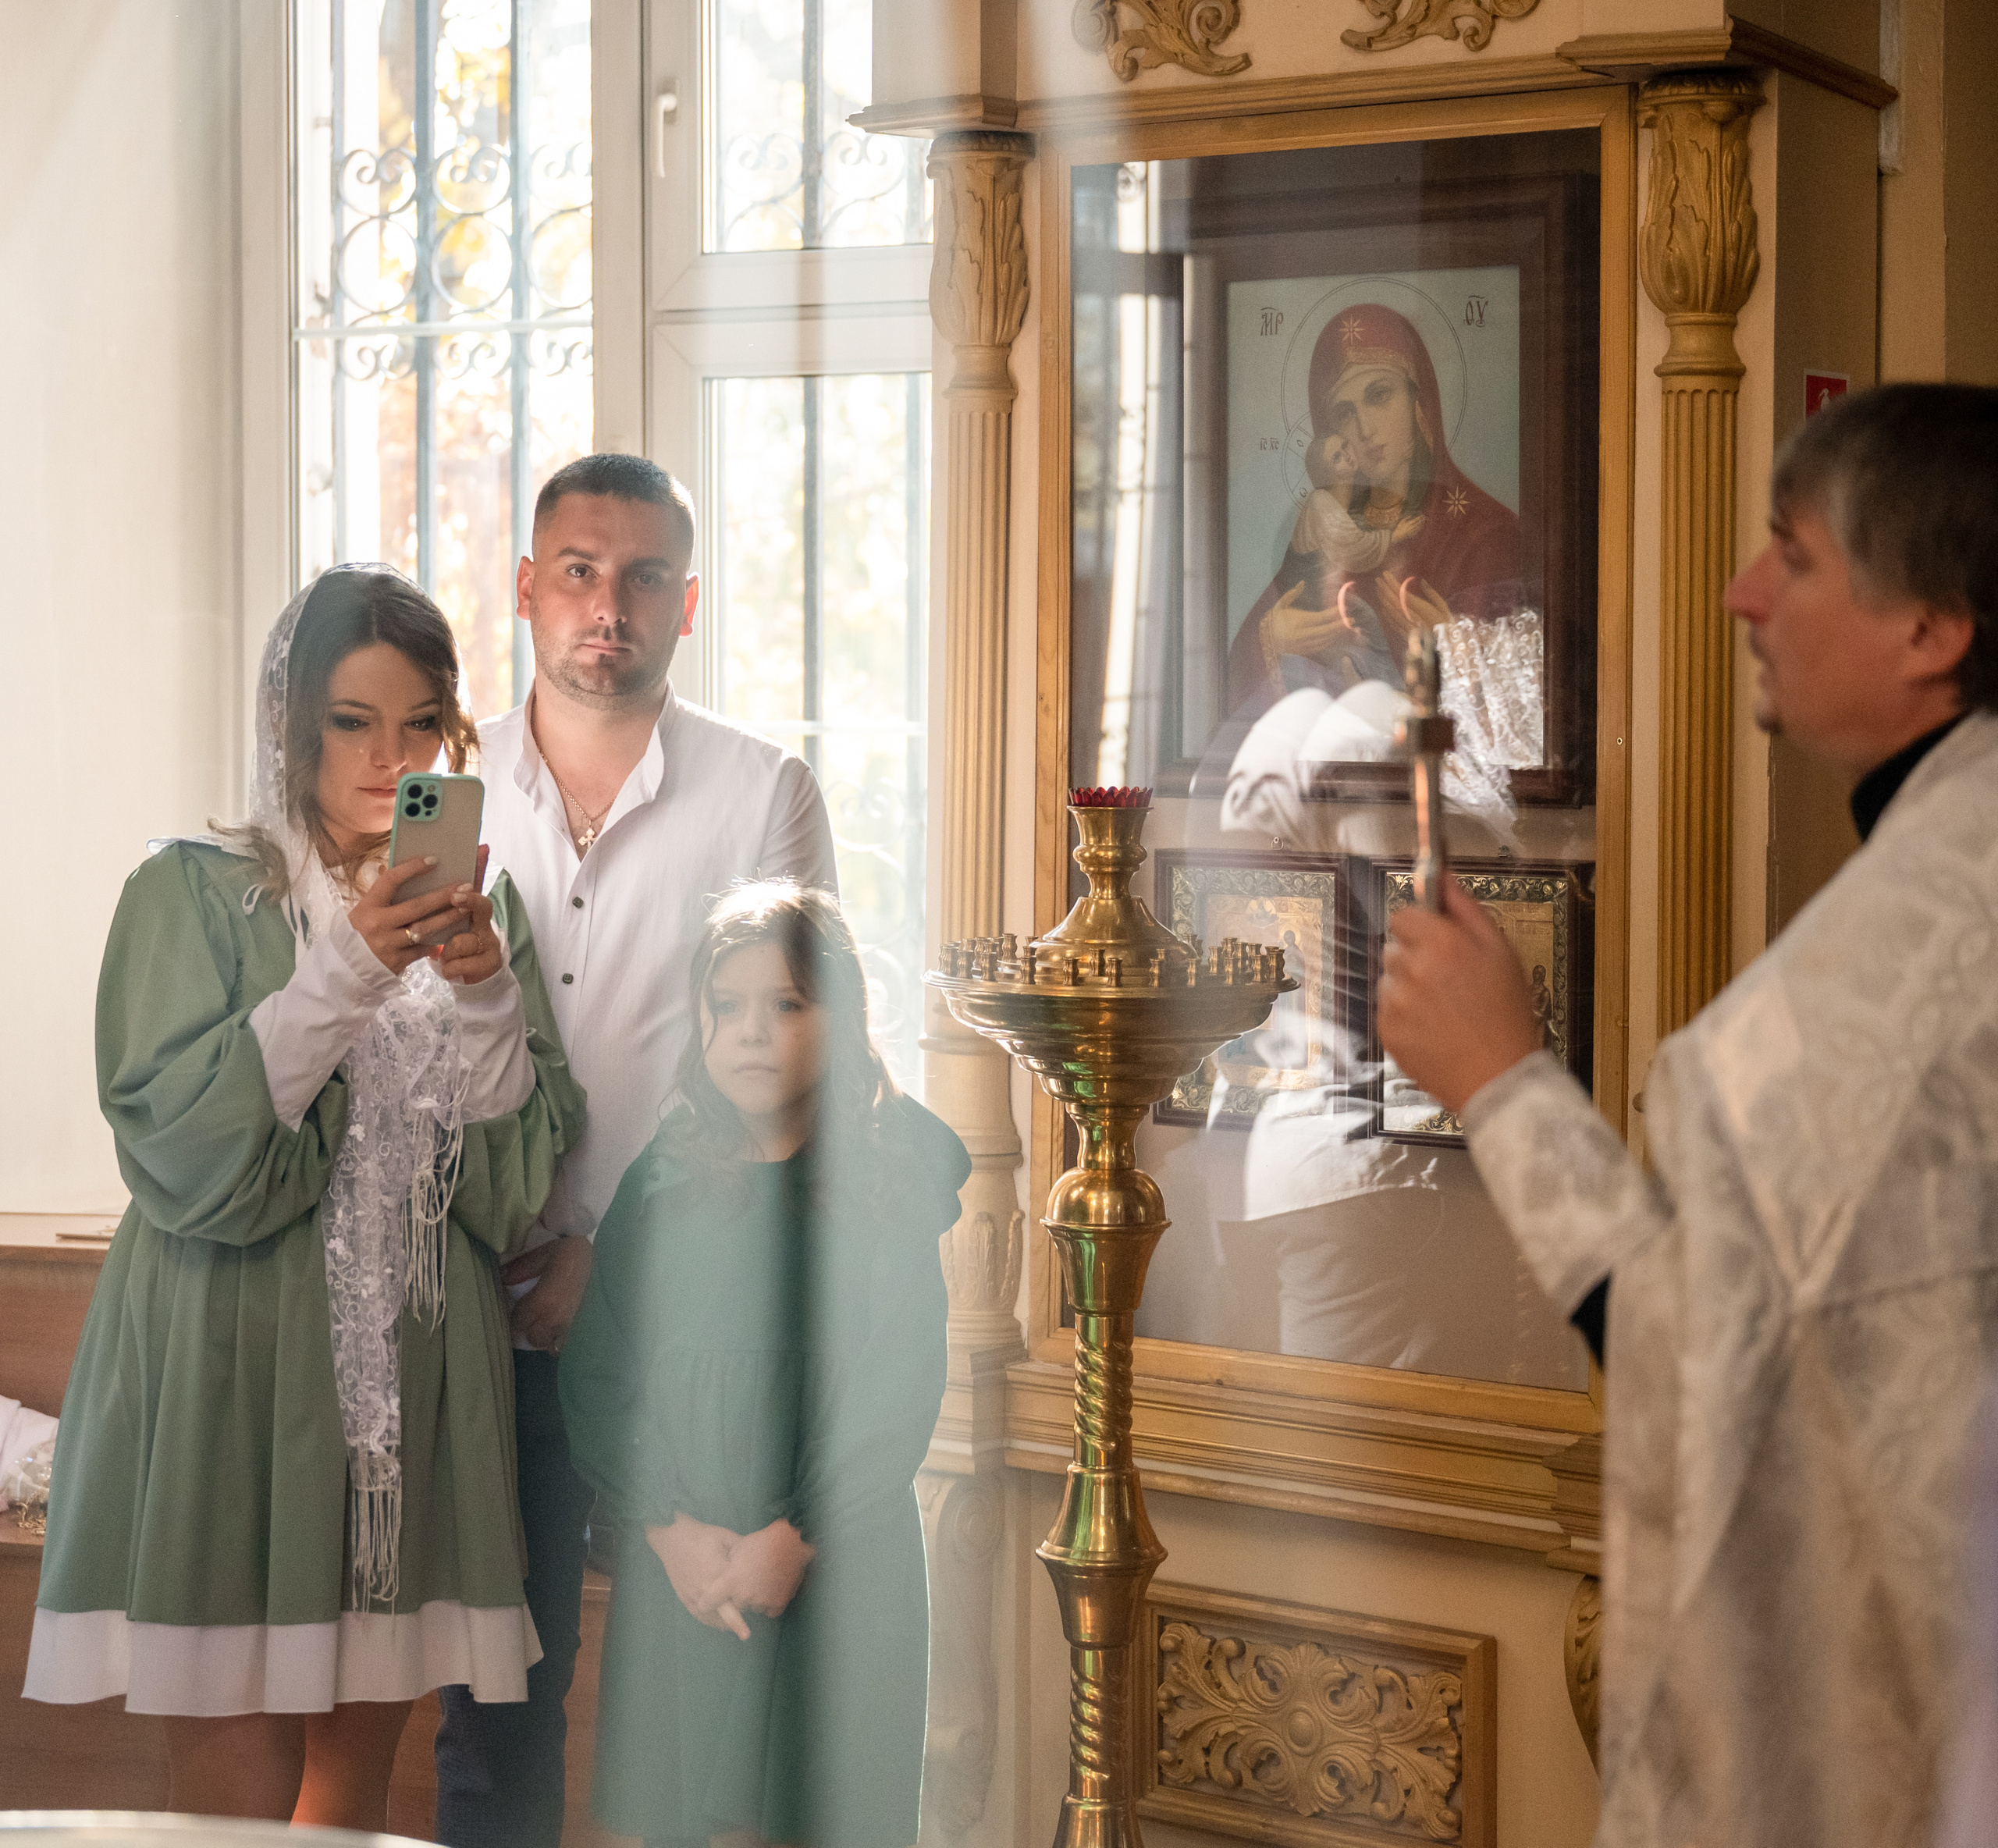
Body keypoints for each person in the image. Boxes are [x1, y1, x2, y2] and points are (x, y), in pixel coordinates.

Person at [1378, 382, 1998, 1847]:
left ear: (1932, 629)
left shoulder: (1906, 966)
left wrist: (1501, 1082)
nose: (1740, 593)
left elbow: (1714, 1377)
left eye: (1792, 553)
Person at [24, 565, 585, 1830]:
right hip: (237, 1380)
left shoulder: (477, 911)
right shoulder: (189, 891)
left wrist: (487, 991)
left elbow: (512, 1184)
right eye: (353, 720)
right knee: (229, 1813)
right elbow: (184, 1147)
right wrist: (347, 963)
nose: (392, 756)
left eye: (421, 721)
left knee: (348, 1802)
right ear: (292, 726)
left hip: (413, 1400)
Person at [433, 454, 838, 1846]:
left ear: (690, 604)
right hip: (470, 1323)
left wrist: (610, 1247)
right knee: (494, 1709)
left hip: (685, 1325)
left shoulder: (762, 789)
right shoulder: (444, 783)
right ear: (531, 591)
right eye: (583, 574)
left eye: (646, 577)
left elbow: (784, 1065)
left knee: (706, 1712)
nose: (612, 605)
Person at [558, 881, 965, 1847]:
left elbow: (895, 1387)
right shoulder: (663, 1180)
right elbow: (601, 1376)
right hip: (682, 1566)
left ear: (844, 1016)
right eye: (727, 1006)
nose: (751, 1031)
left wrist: (797, 1536)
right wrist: (667, 1529)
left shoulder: (886, 1178)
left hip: (838, 1566)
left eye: (785, 1004)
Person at [1227, 302, 1524, 715]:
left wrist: (1455, 648)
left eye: (1379, 396)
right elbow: (1238, 671)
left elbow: (1523, 700)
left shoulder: (1485, 534)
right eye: (1344, 413)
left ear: (1419, 403)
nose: (1364, 430)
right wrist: (1273, 641)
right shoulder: (1330, 532)